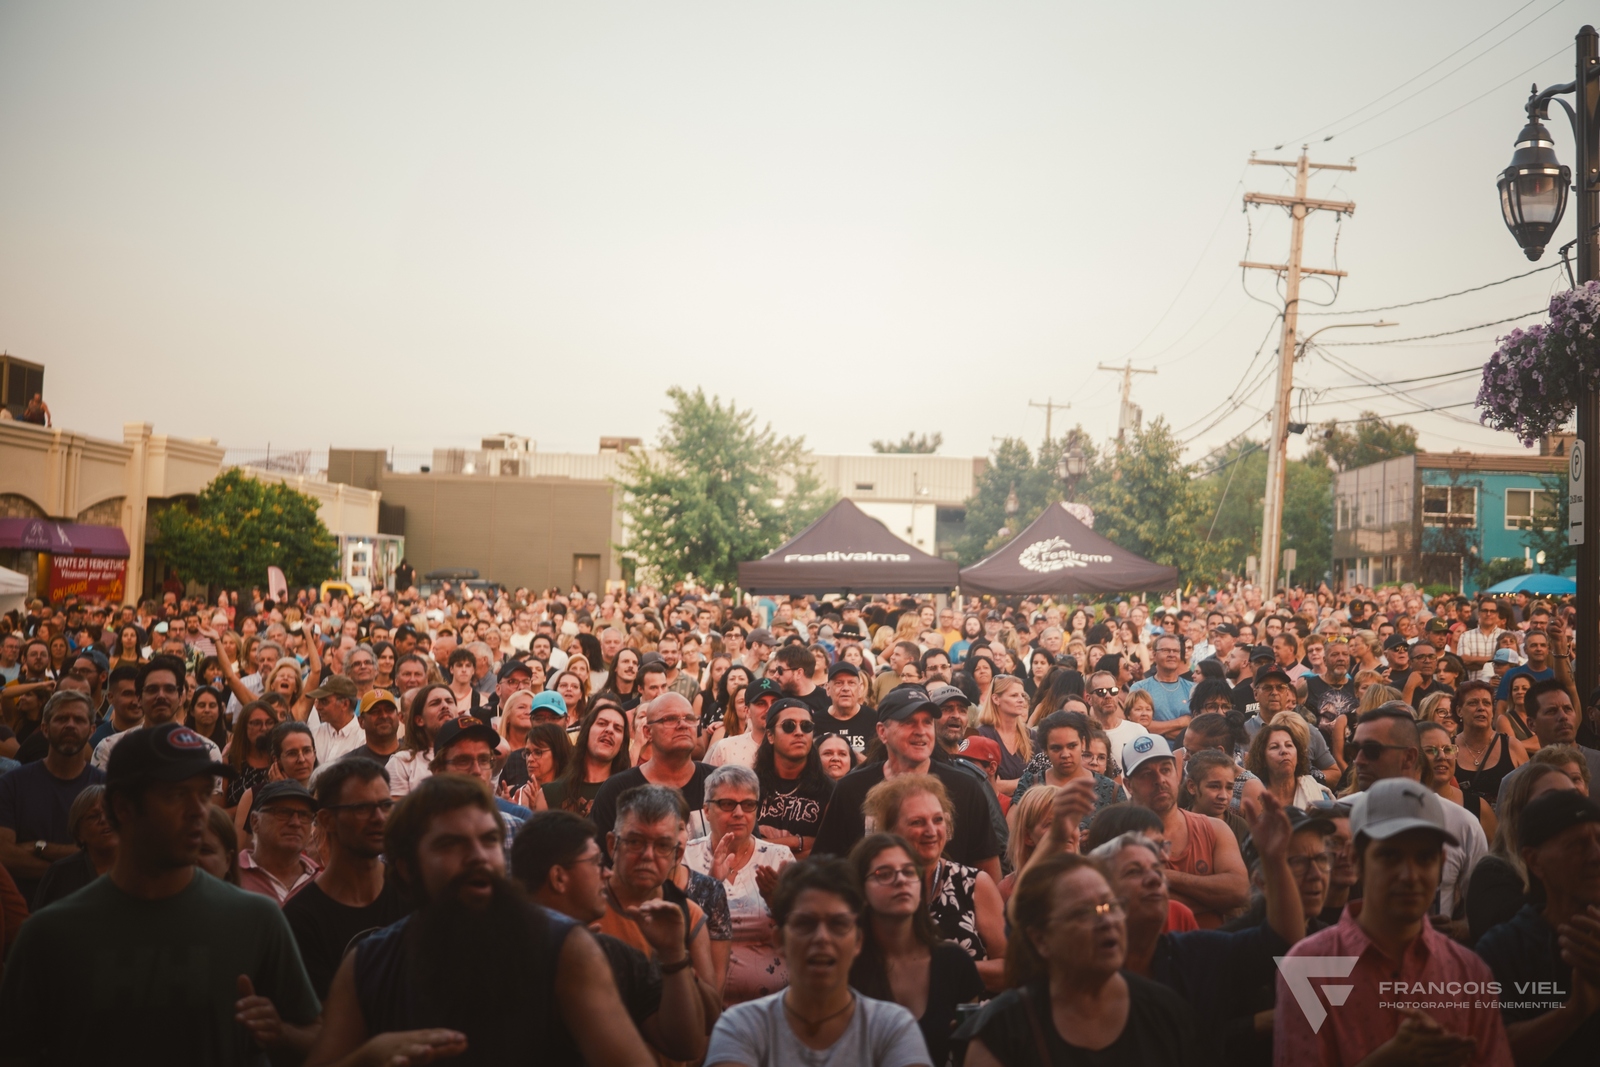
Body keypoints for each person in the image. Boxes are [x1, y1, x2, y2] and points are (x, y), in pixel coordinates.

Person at [0, 722, 321, 1063]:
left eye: (203, 793)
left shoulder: (257, 921)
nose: (199, 811)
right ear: (121, 807)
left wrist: (279, 1032)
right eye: (176, 795)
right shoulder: (50, 935)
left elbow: (317, 1036)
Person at [305, 773, 653, 1066]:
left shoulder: (565, 949)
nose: (478, 856)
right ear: (407, 868)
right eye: (450, 844)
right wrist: (367, 1057)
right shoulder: (369, 965)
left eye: (489, 840)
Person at [1274, 777, 1513, 1066]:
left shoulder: (1468, 973)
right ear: (1356, 859)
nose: (1409, 875)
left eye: (1424, 858)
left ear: (1441, 863)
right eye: (1389, 856)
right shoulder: (1310, 968)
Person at [955, 851, 1199, 1067]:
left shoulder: (1163, 1013)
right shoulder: (1002, 1032)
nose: (1107, 921)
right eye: (1084, 912)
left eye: (1110, 906)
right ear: (1041, 939)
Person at [511, 810, 713, 1063]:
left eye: (663, 845)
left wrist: (673, 956)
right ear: (559, 877)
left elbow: (687, 1046)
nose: (605, 873)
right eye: (596, 862)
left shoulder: (616, 956)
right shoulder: (499, 958)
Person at [704, 857, 932, 1067]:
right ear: (780, 940)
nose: (822, 937)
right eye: (805, 923)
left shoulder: (893, 1029)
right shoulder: (741, 1027)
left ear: (858, 941)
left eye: (838, 924)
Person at [811, 686, 1001, 880]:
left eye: (927, 722)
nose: (921, 731)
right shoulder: (851, 789)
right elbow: (825, 867)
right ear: (882, 732)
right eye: (909, 722)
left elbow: (988, 868)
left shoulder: (965, 788)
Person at [1474, 789, 1600, 1065]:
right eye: (1577, 844)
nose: (1596, 855)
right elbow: (1489, 1051)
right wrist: (1574, 1011)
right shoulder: (1504, 950)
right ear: (1534, 861)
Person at [863, 773, 1008, 991]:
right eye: (917, 822)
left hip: (969, 1011)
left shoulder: (974, 884)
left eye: (938, 820)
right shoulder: (871, 887)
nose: (931, 831)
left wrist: (943, 968)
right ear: (890, 830)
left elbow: (1011, 969)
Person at [848, 832, 982, 1067]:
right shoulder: (847, 967)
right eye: (884, 874)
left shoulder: (954, 962)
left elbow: (970, 1055)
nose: (901, 880)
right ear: (861, 890)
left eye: (909, 872)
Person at [282, 758, 409, 1000]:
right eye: (362, 808)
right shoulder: (301, 919)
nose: (379, 818)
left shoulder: (413, 891)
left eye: (385, 805)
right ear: (326, 820)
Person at [597, 784, 720, 1006]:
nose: (647, 855)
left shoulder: (686, 916)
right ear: (612, 845)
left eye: (662, 846)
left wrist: (676, 958)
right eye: (635, 842)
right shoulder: (586, 906)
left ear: (677, 855)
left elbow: (712, 1014)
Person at [685, 764, 793, 1003]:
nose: (738, 813)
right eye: (727, 804)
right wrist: (712, 885)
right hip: (701, 999)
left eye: (748, 804)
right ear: (706, 810)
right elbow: (677, 930)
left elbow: (801, 932)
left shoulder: (779, 857)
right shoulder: (686, 857)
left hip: (772, 1003)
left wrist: (778, 903)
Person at [1121, 732, 1248, 927]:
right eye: (1146, 774)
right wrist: (1215, 901)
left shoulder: (1215, 829)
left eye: (1166, 769)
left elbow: (1238, 891)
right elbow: (1127, 905)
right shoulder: (1117, 838)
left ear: (1177, 772)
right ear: (1128, 785)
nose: (1160, 779)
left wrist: (1164, 876)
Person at [0, 690, 106, 903]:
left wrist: (40, 847)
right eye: (61, 719)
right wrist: (75, 866)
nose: (70, 725)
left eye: (79, 720)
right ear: (45, 729)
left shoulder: (107, 788)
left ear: (92, 730)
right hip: (26, 910)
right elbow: (5, 855)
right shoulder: (11, 784)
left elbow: (107, 853)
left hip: (89, 908)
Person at [1466, 762, 1579, 942]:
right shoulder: (1492, 872)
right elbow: (1497, 939)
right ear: (1520, 811)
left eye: (1572, 797)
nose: (1565, 806)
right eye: (1552, 798)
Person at [590, 692, 714, 847]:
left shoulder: (718, 782)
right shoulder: (617, 790)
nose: (683, 725)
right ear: (648, 732)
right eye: (670, 719)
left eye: (689, 718)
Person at [1497, 679, 1600, 807]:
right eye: (1551, 711)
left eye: (1568, 709)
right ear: (1531, 724)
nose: (1563, 716)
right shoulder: (1513, 783)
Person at [752, 698, 833, 858]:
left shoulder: (829, 790)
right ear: (770, 736)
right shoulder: (750, 785)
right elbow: (742, 844)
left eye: (806, 726)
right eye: (789, 725)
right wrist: (799, 842)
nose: (799, 732)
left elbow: (825, 849)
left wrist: (765, 847)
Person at [31, 782, 116, 910]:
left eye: (110, 813)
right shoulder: (61, 873)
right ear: (78, 833)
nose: (104, 819)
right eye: (93, 816)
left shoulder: (142, 867)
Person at [239, 778, 321, 903]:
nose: (296, 823)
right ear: (255, 821)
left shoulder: (322, 884)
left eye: (304, 815)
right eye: (283, 812)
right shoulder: (229, 875)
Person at [542, 702, 631, 816]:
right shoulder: (549, 794)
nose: (609, 730)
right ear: (586, 731)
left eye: (617, 729)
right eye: (602, 723)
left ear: (622, 744)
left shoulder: (631, 797)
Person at [234, 721, 317, 836]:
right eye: (292, 753)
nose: (301, 759)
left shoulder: (326, 793)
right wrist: (277, 794)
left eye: (307, 751)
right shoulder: (253, 795)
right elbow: (244, 845)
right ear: (276, 759)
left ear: (314, 754)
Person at [1456, 678, 1527, 812]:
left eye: (1487, 703)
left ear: (1493, 711)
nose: (1481, 708)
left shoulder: (1512, 746)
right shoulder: (1448, 748)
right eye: (1473, 703)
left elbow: (1529, 793)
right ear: (1459, 711)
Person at [1244, 714, 1333, 810]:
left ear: (1298, 755)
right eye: (1274, 747)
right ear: (1262, 759)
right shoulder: (1251, 798)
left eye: (1289, 745)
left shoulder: (1319, 796)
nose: (1284, 751)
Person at [386, 682, 457, 798]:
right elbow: (397, 808)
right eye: (435, 703)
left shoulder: (472, 755)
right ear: (419, 720)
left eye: (449, 701)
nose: (445, 706)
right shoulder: (401, 762)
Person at [1130, 632, 1195, 739]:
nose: (1171, 654)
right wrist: (1180, 722)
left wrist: (1160, 730)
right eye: (1166, 650)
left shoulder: (1193, 689)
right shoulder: (1140, 688)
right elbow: (1139, 726)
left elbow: (1197, 729)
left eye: (1176, 651)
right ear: (1154, 654)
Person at [707, 676, 777, 768]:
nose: (769, 709)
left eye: (775, 703)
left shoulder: (792, 746)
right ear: (747, 711)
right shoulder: (726, 748)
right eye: (761, 703)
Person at [819, 660, 879, 756]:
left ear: (860, 689)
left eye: (851, 683)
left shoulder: (874, 719)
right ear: (828, 688)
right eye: (839, 683)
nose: (846, 688)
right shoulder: (817, 721)